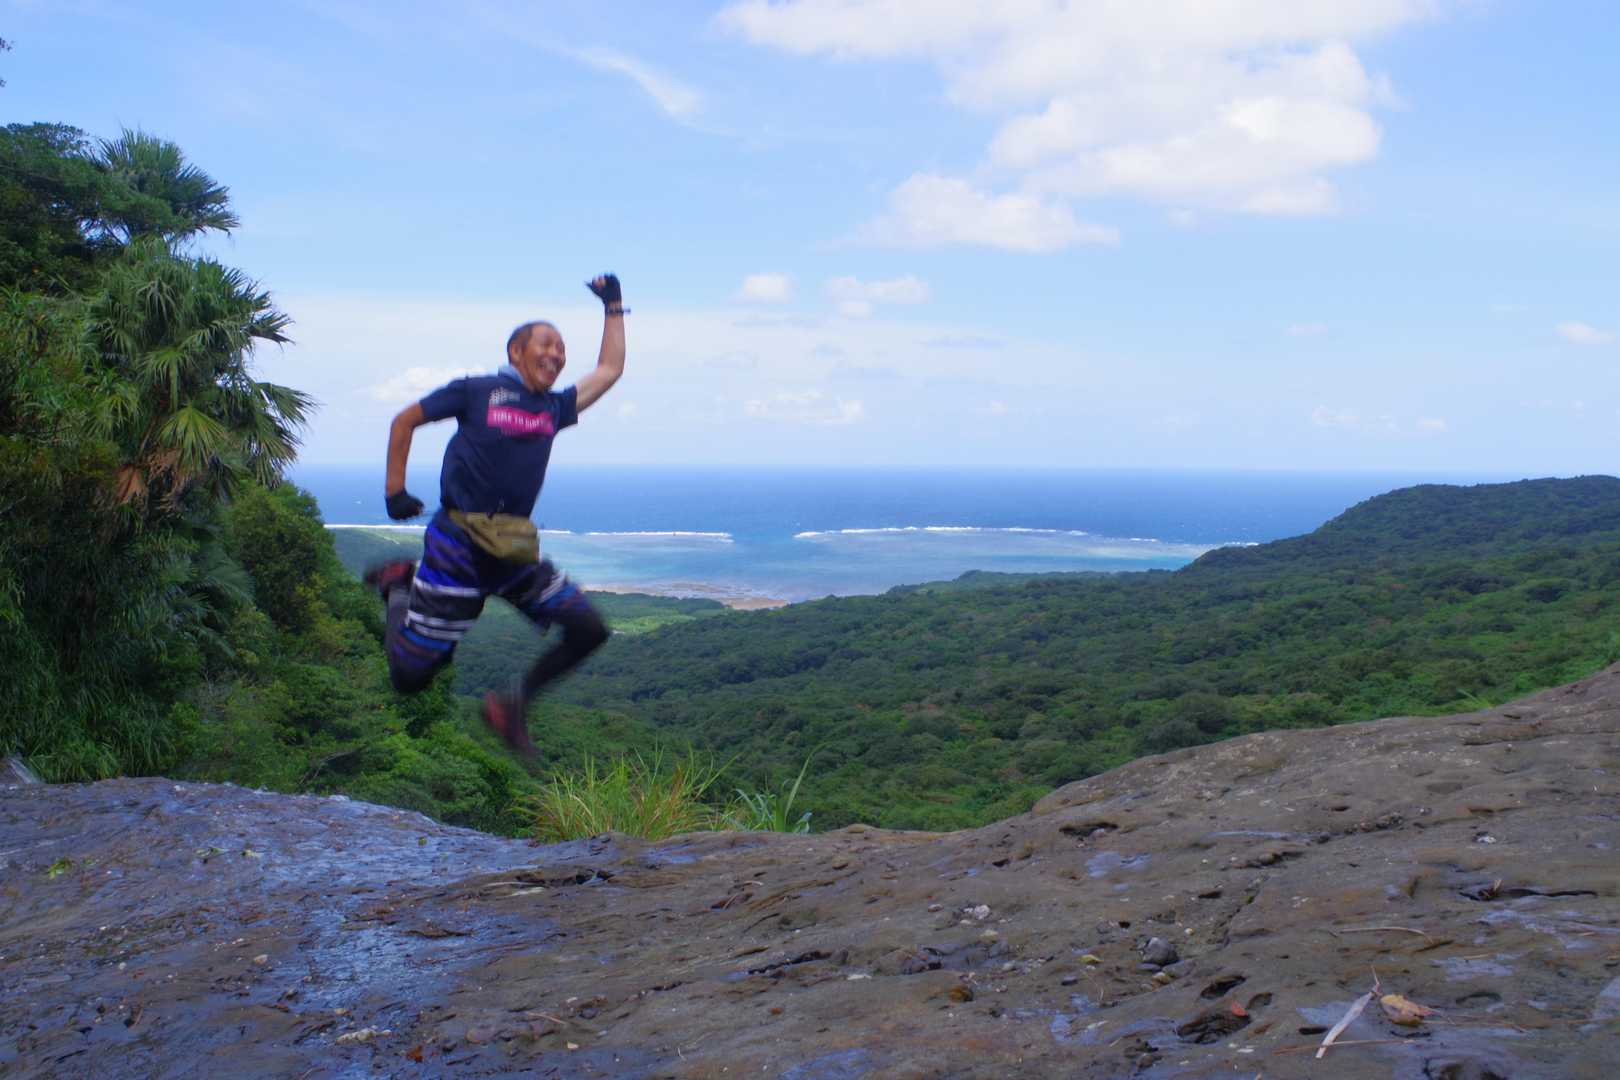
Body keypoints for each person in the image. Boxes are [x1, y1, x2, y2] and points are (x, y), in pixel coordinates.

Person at [362, 274, 627, 756]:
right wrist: (394, 491)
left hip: (510, 550)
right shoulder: (477, 391)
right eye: (546, 344)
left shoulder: (554, 407)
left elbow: (609, 370)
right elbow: (405, 420)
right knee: (411, 678)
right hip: (458, 547)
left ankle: (513, 704)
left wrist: (613, 305)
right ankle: (398, 587)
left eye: (562, 349)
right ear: (516, 351)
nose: (556, 355)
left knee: (589, 630)